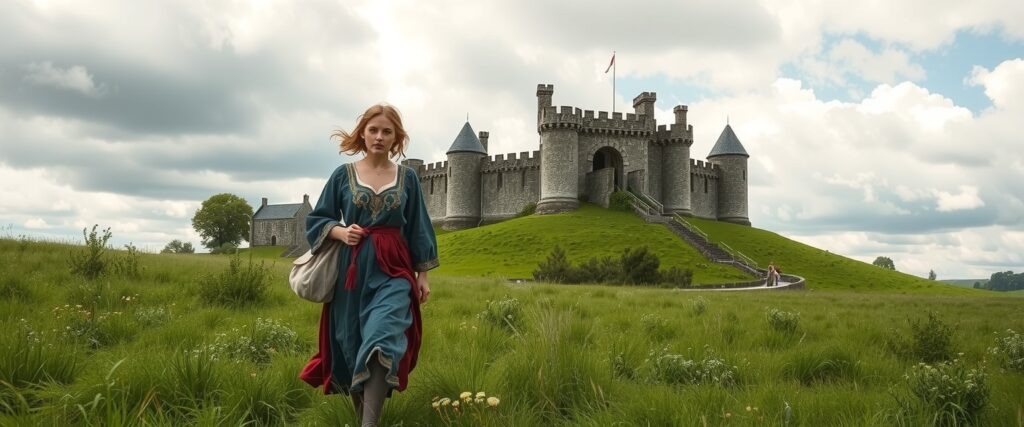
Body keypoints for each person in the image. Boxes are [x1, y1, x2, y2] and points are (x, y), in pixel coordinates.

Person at [299, 104, 439, 426]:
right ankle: (363, 416)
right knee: (353, 344)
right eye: (373, 130)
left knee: (381, 338)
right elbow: (318, 219)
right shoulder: (343, 175)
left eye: (387, 131)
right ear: (362, 132)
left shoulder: (408, 178)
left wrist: (423, 275)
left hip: (394, 269)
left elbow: (419, 226)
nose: (379, 136)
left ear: (396, 138)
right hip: (351, 269)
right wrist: (340, 231)